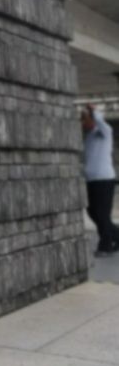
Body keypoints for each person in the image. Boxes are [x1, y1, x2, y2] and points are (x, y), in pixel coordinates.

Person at [81, 104, 118, 256]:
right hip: (92, 181)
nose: (82, 123)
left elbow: (102, 123)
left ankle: (105, 246)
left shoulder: (104, 132)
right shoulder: (89, 137)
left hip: (104, 179)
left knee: (102, 214)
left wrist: (94, 111)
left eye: (85, 119)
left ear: (93, 119)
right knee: (92, 212)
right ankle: (116, 236)